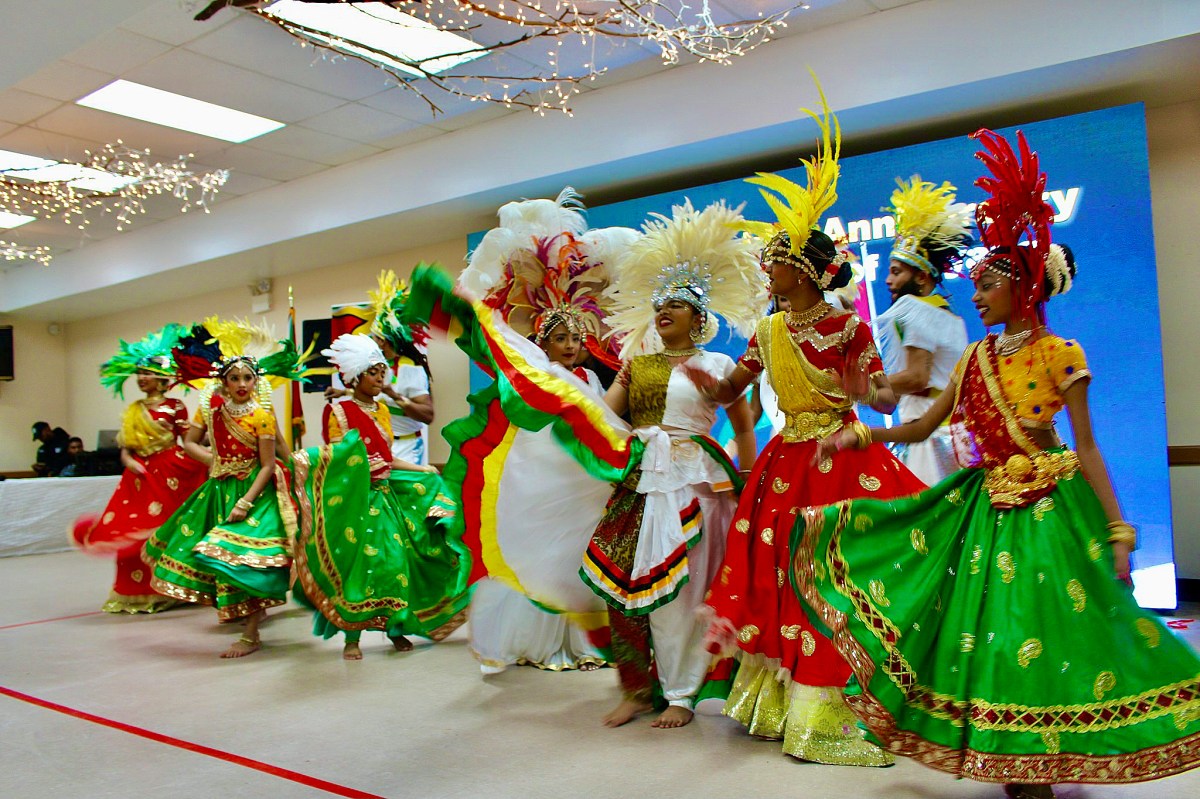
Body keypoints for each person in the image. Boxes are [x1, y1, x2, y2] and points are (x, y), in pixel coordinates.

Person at [800, 129, 1200, 796]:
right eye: (978, 284)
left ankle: (1041, 756)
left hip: (1050, 508)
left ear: (1023, 287)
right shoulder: (975, 357)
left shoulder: (1061, 353)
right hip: (988, 507)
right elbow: (927, 421)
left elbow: (1090, 445)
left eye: (987, 284)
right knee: (993, 631)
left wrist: (1119, 528)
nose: (977, 296)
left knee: (1051, 625)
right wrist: (862, 436)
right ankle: (1015, 757)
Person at [692, 88, 926, 765]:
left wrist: (878, 388)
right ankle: (781, 703)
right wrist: (711, 386)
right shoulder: (766, 330)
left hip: (842, 457)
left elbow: (877, 399)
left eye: (772, 259)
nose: (765, 269)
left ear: (800, 267)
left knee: (839, 574)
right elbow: (738, 383)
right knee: (782, 578)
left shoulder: (849, 326)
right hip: (786, 460)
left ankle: (845, 702)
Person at [583, 199, 763, 729]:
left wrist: (748, 478)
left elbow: (746, 425)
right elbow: (602, 418)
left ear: (699, 317)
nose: (663, 311)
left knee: (687, 589)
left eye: (676, 305)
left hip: (695, 482)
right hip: (639, 481)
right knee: (620, 583)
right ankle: (637, 688)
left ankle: (683, 692)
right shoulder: (634, 364)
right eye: (658, 303)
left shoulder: (718, 364)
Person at [453, 189, 636, 674]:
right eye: (561, 337)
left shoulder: (592, 378)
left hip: (587, 485)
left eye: (577, 336)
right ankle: (543, 640)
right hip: (543, 478)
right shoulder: (532, 378)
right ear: (542, 341)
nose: (573, 345)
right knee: (543, 550)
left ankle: (585, 640)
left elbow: (606, 420)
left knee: (580, 553)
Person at [291, 334, 470, 660]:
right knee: (361, 567)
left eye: (382, 372)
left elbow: (387, 458)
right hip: (358, 500)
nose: (379, 378)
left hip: (387, 495)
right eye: (372, 372)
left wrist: (422, 469)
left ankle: (396, 628)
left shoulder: (383, 412)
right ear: (355, 376)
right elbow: (341, 462)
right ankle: (352, 639)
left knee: (397, 563)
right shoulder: (339, 411)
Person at [143, 319, 302, 658]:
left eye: (248, 377)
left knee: (242, 555)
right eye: (235, 378)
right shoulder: (213, 413)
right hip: (219, 490)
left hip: (254, 493)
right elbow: (191, 444)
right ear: (224, 383)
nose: (242, 383)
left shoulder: (261, 415)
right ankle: (245, 620)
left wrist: (247, 500)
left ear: (256, 381)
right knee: (213, 555)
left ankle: (250, 633)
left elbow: (271, 463)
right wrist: (215, 464)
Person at [70, 324, 207, 613]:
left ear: (161, 379)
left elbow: (190, 440)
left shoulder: (175, 407)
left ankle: (176, 587)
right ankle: (136, 590)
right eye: (140, 374)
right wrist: (131, 462)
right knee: (132, 531)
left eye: (147, 374)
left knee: (171, 529)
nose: (141, 379)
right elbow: (126, 449)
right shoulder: (133, 410)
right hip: (139, 477)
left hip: (171, 471)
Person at [873, 177, 970, 484]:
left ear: (924, 279)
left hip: (928, 442)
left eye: (896, 272)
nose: (888, 281)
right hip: (956, 437)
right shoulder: (953, 319)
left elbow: (917, 377)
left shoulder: (914, 309)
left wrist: (859, 387)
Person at [325, 271, 434, 466]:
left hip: (407, 446)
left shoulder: (409, 367)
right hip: (383, 444)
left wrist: (394, 394)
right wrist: (343, 391)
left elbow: (427, 415)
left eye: (375, 338)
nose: (372, 341)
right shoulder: (380, 366)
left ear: (383, 342)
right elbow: (377, 393)